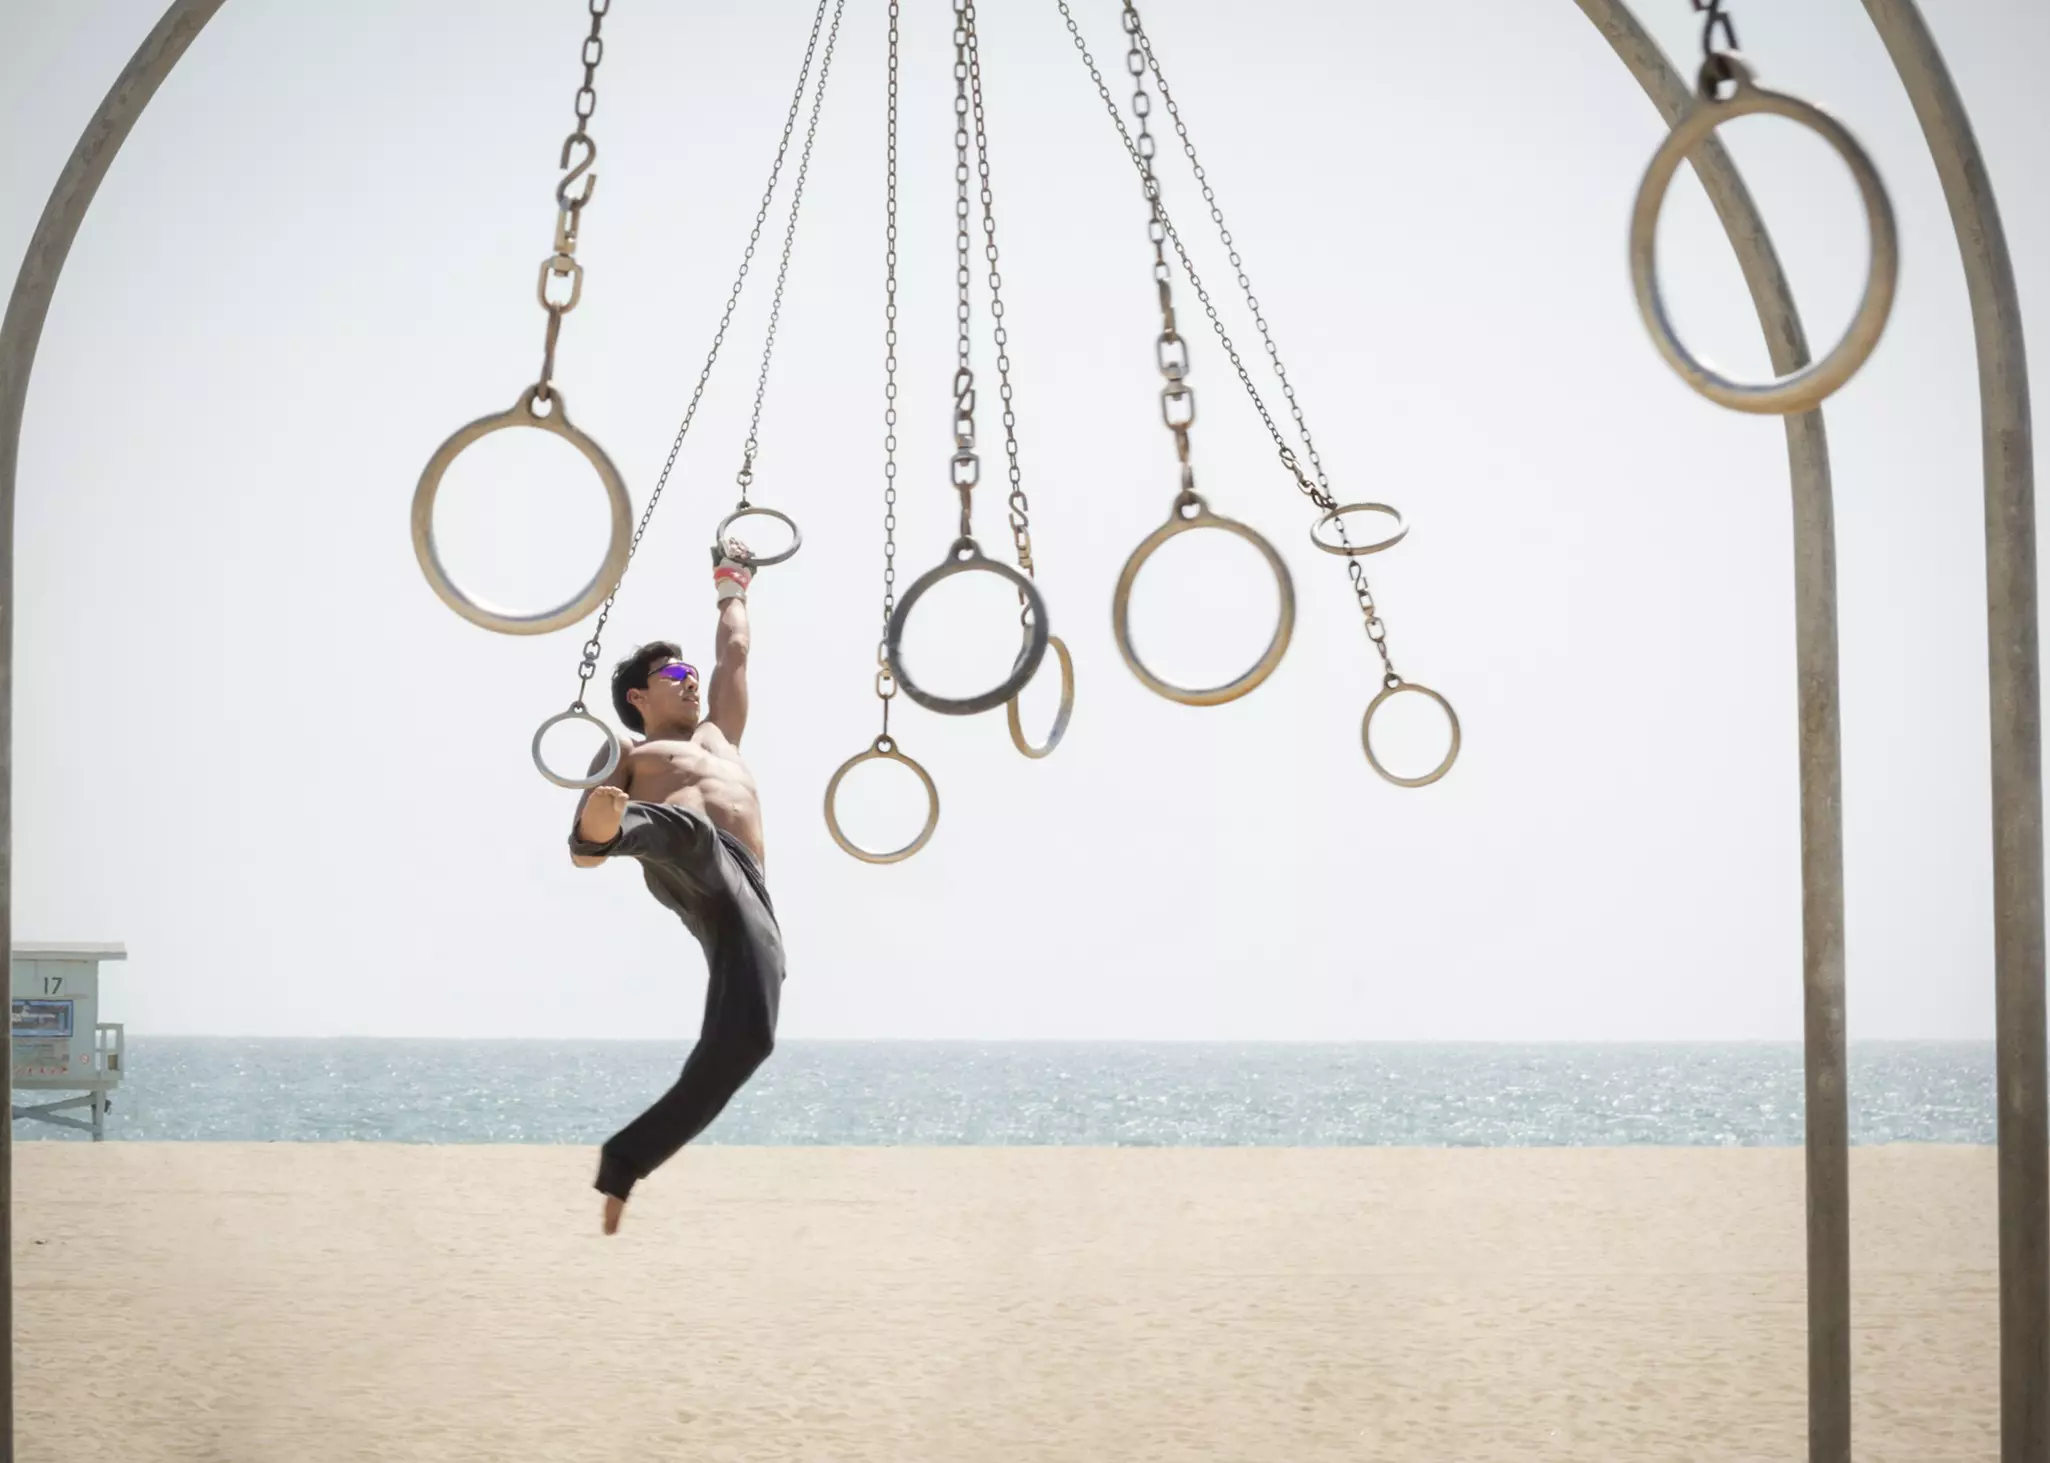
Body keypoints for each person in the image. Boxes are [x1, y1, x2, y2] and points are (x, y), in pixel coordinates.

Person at [567, 537, 785, 1235]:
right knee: (685, 835)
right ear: (639, 695)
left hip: (745, 891)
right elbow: (582, 864)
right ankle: (613, 826)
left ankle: (625, 1160)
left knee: (750, 1038)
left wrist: (733, 581)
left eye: (691, 670)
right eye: (674, 674)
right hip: (682, 853)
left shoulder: (722, 736)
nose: (692, 679)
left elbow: (735, 653)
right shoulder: (632, 753)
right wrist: (599, 830)